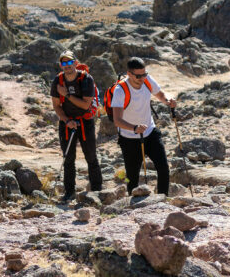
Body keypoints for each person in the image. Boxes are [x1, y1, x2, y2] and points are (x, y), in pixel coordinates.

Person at [111, 57, 176, 196]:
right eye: (138, 76)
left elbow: (159, 94)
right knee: (132, 176)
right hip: (129, 138)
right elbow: (117, 120)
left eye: (144, 74)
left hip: (150, 131)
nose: (142, 78)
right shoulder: (120, 90)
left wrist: (167, 101)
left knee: (163, 168)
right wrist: (134, 128)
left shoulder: (147, 80)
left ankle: (162, 199)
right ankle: (131, 202)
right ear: (129, 74)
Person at [51, 50, 103, 201]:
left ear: (75, 63)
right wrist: (67, 120)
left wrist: (67, 95)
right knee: (68, 158)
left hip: (85, 121)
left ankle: (97, 191)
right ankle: (69, 192)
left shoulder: (86, 79)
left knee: (91, 156)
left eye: (69, 62)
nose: (67, 66)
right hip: (67, 123)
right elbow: (56, 106)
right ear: (61, 65)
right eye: (63, 63)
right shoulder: (58, 81)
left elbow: (86, 105)